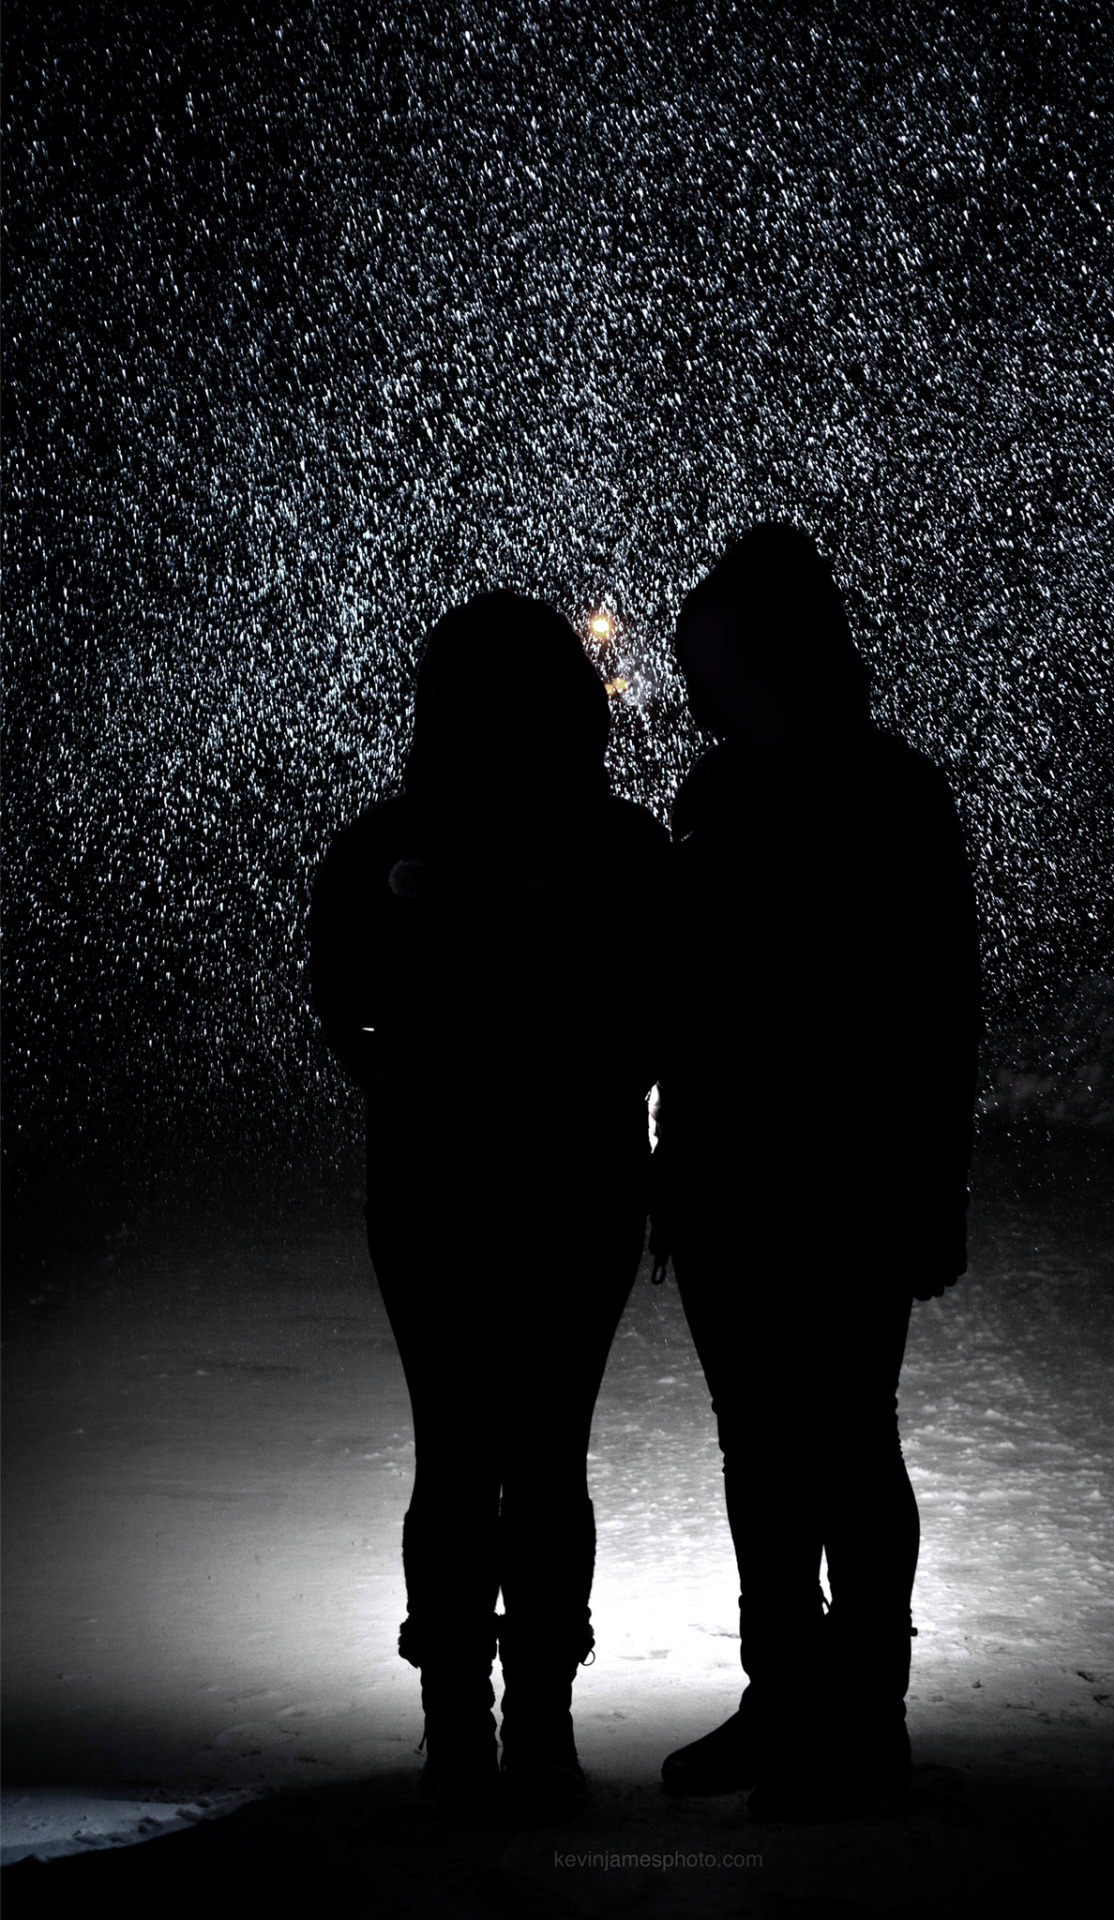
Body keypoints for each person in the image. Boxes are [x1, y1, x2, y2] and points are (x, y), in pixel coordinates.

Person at [308, 591, 669, 1824]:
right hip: (575, 1179)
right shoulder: (622, 847)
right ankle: (536, 1727)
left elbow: (338, 1001)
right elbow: (665, 1015)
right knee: (541, 1451)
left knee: (456, 1448)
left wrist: (410, 1080)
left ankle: (462, 1723)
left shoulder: (383, 844)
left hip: (435, 1180)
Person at [653, 524, 980, 1821]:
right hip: (744, 1175)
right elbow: (684, 992)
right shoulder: (724, 796)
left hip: (838, 1176)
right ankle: (798, 1695)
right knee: (772, 1444)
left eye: (721, 654)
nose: (705, 680)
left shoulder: (889, 798)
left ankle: (855, 1711)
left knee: (836, 1440)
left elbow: (942, 1008)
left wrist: (932, 1187)